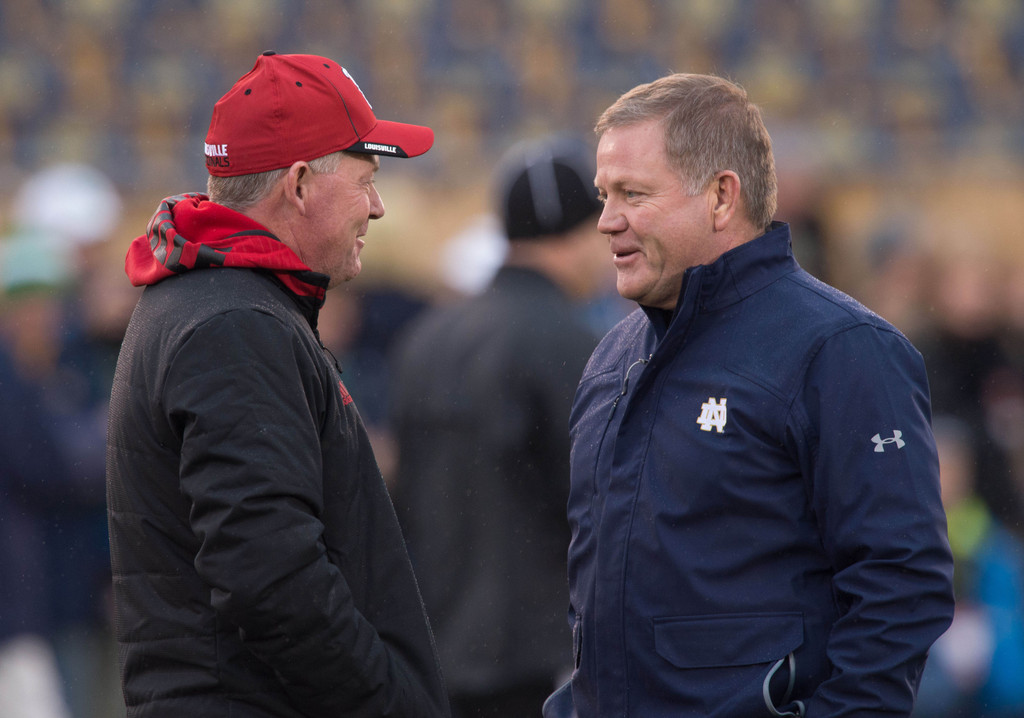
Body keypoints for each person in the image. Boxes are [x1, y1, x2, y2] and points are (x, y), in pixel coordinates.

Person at [546, 73, 955, 718]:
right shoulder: (612, 357)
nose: (605, 221)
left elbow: (900, 585)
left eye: (633, 194)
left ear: (720, 197)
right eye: (604, 195)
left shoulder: (841, 349)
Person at [105, 52, 449, 718]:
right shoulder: (235, 325)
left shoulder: (217, 303)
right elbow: (270, 579)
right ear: (298, 184)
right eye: (366, 179)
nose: (376, 208)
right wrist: (391, 701)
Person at [390, 135, 609, 718]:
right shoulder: (573, 343)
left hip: (435, 646)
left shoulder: (427, 337)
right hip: (538, 657)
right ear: (583, 231)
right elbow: (595, 510)